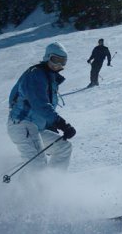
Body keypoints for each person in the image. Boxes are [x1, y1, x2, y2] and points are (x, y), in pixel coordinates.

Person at [7, 42, 76, 173]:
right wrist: (62, 124)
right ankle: (27, 192)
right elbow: (40, 105)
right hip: (22, 125)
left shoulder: (49, 78)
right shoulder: (36, 74)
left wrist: (51, 126)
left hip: (36, 128)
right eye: (55, 60)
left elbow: (44, 110)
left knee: (63, 147)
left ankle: (52, 184)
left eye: (63, 62)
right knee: (37, 164)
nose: (58, 65)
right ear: (47, 57)